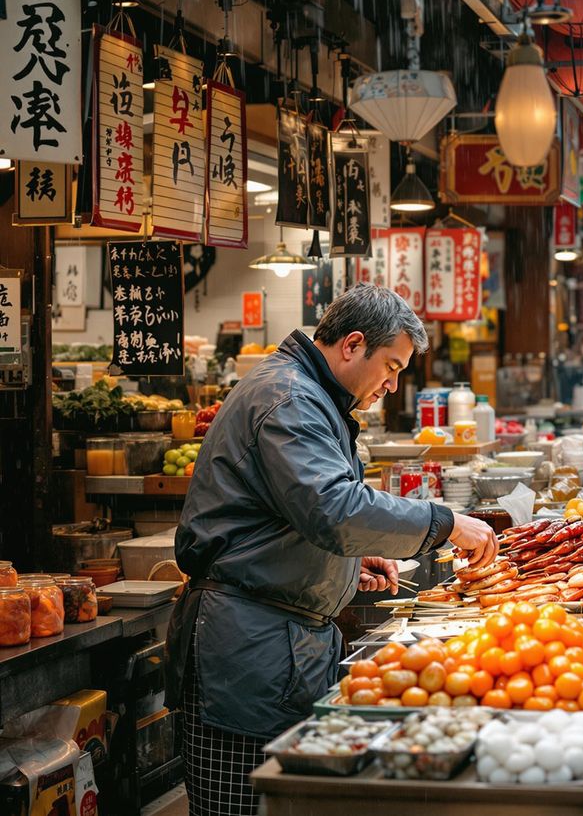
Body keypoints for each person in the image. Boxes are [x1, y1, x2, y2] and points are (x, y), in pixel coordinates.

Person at [166, 284, 499, 815]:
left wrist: (343, 561)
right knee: (248, 805)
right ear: (351, 345)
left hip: (282, 649)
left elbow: (294, 516)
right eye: (390, 367)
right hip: (246, 659)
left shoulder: (311, 394)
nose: (391, 385)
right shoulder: (289, 398)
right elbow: (334, 508)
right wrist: (446, 523)